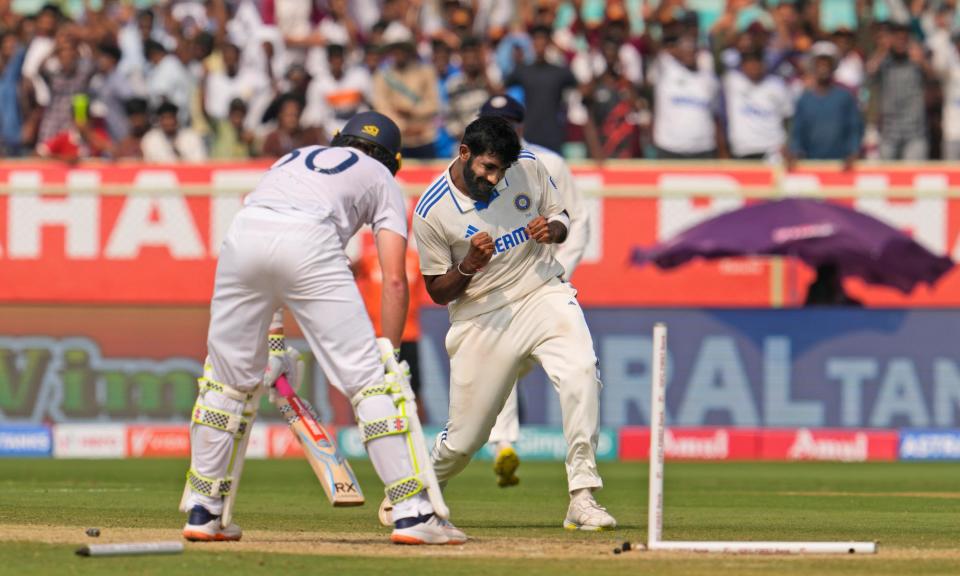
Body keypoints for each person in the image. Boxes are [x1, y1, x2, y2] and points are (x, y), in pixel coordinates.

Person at [179, 111, 466, 545]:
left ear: (338, 140)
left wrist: (272, 341)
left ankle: (205, 511)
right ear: (393, 160)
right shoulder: (382, 178)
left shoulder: (292, 158)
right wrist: (388, 353)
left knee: (225, 385)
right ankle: (412, 512)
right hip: (310, 240)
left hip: (242, 238)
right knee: (371, 383)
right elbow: (393, 278)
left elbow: (267, 247)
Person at [413, 115, 614, 530]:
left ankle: (582, 494)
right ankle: (420, 489)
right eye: (488, 168)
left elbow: (561, 218)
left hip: (541, 290)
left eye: (501, 169)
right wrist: (468, 265)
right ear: (464, 153)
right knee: (467, 440)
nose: (495, 177)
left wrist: (551, 230)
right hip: (480, 315)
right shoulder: (431, 210)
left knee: (580, 370)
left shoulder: (527, 166)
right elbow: (437, 291)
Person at [476, 94, 591, 488]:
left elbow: (576, 221)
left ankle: (582, 476)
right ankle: (504, 443)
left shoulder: (549, 163)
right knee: (501, 362)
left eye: (508, 122)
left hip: (545, 285)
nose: (502, 129)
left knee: (574, 368)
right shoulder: (477, 166)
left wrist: (562, 274)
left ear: (521, 126)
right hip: (501, 287)